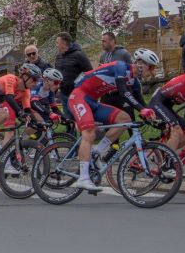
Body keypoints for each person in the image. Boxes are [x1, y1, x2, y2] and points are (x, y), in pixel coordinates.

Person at [68, 49, 159, 191]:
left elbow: (140, 103)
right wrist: (142, 109)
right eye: (152, 67)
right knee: (90, 133)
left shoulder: (134, 81)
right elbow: (123, 91)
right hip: (79, 96)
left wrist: (151, 116)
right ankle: (83, 178)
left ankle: (96, 152)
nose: (153, 72)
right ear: (141, 64)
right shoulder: (120, 67)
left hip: (92, 101)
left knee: (125, 119)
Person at [54, 32, 93, 130]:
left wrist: (79, 84)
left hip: (77, 94)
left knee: (79, 119)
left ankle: (83, 140)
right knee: (68, 120)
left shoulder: (79, 55)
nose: (56, 45)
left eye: (57, 42)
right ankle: (71, 143)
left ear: (64, 43)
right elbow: (57, 73)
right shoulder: (58, 56)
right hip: (63, 94)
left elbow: (89, 72)